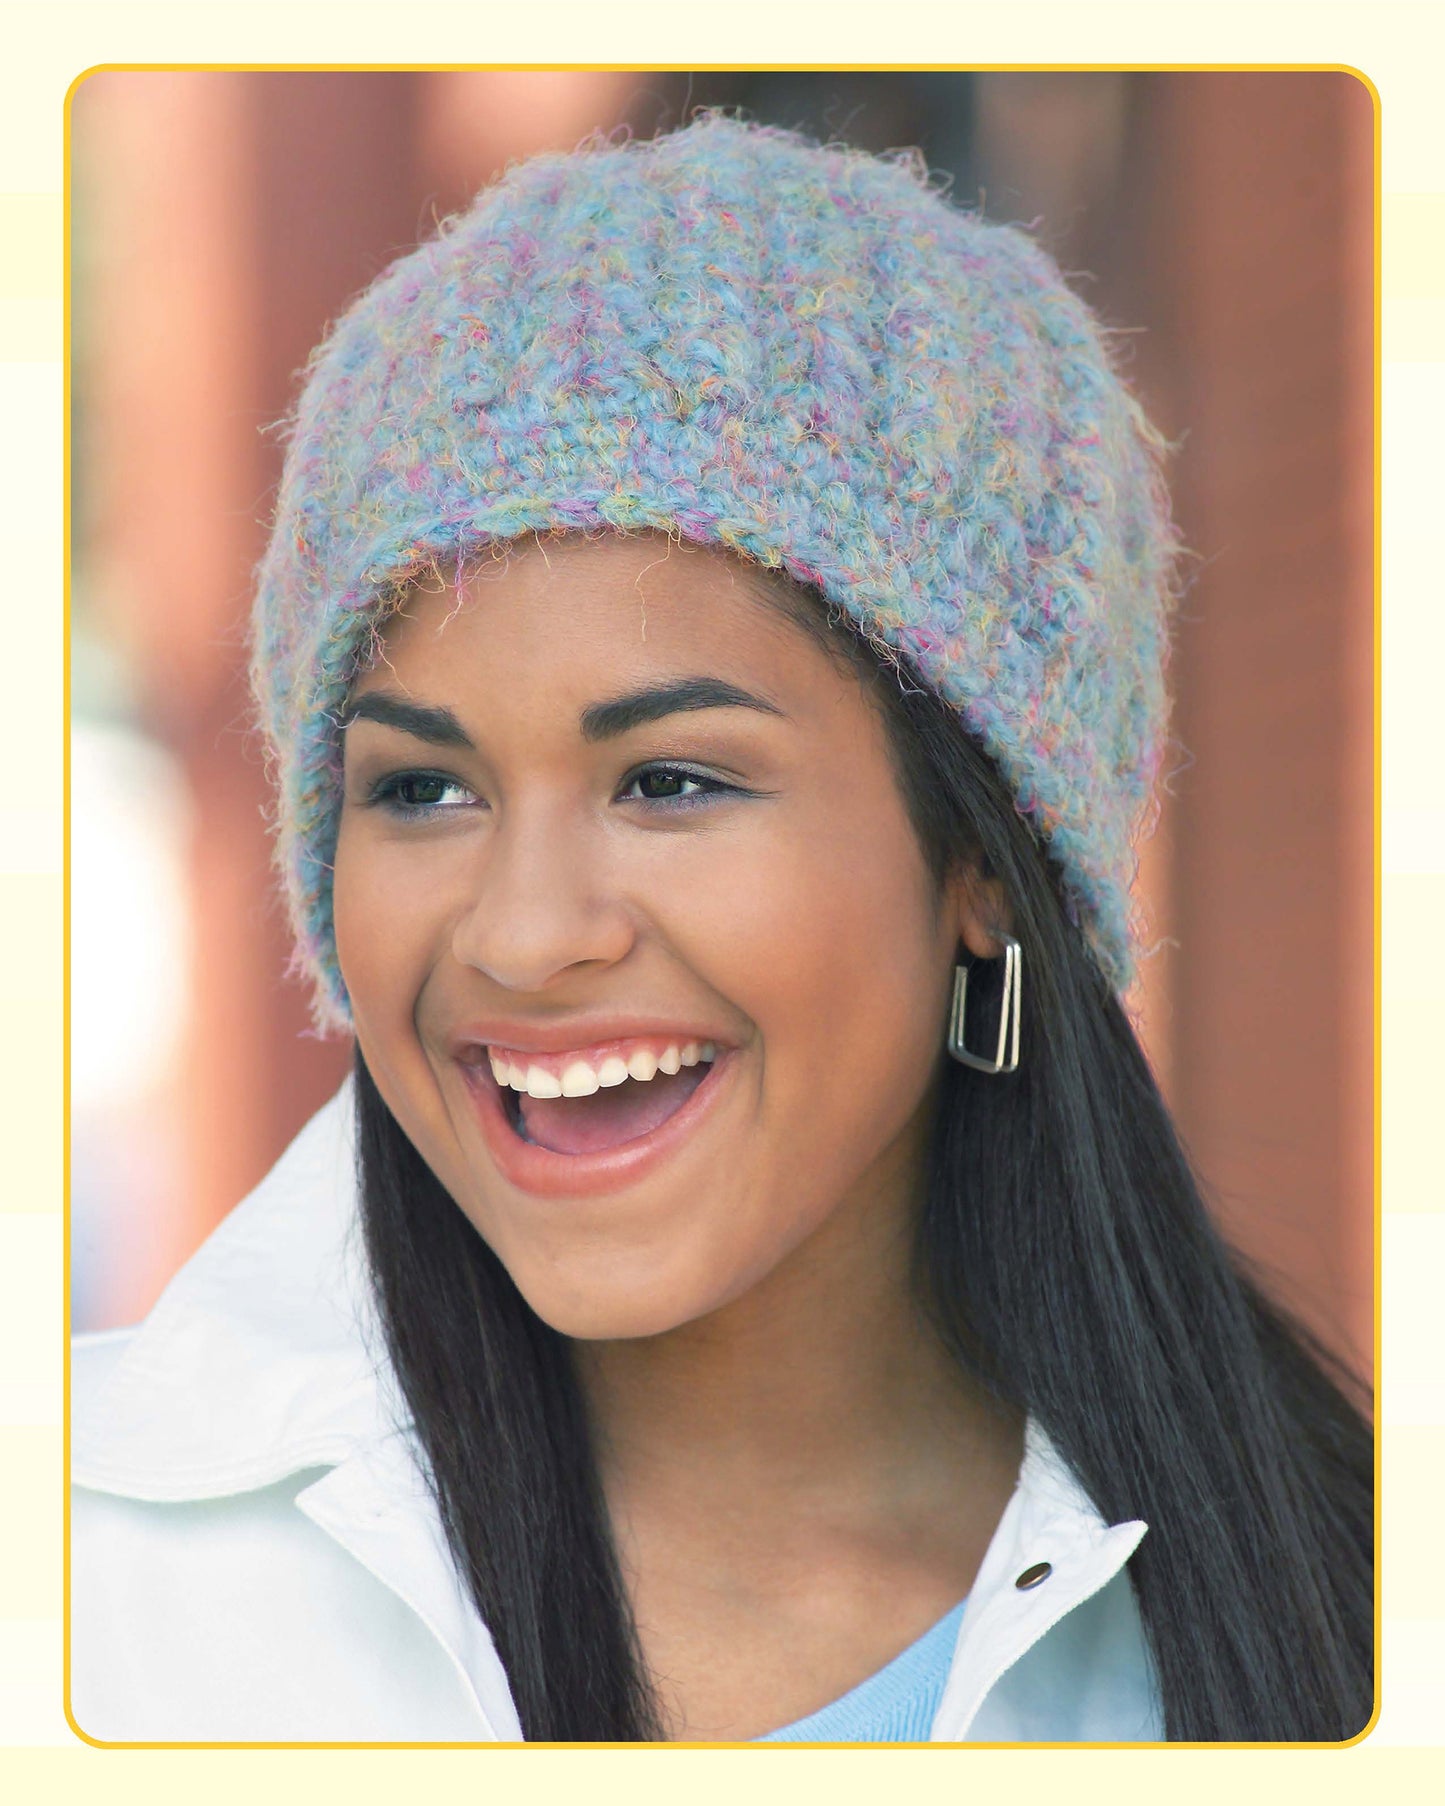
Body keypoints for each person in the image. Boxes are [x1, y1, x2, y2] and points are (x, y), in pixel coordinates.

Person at [69, 112, 1373, 1745]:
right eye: (420, 791)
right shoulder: (73, 1572)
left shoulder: (1344, 1614)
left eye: (670, 779)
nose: (526, 934)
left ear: (984, 856)